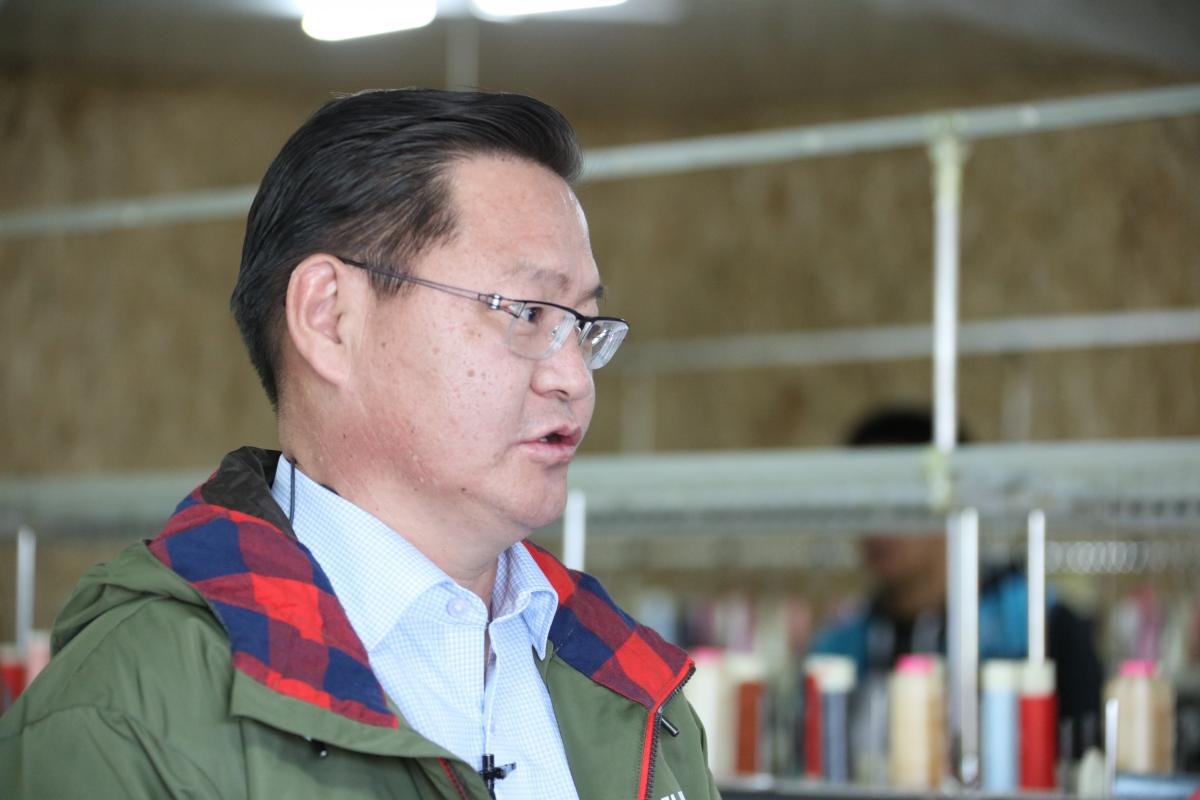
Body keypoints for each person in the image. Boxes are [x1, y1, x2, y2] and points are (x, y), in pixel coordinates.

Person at [0, 89, 717, 799]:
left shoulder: (637, 691)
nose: (575, 379)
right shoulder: (124, 717)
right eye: (528, 312)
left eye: (583, 327)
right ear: (330, 319)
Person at [809, 407, 1103, 756]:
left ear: (954, 497)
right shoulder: (840, 648)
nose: (874, 521)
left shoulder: (1040, 630)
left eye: (897, 497)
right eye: (859, 499)